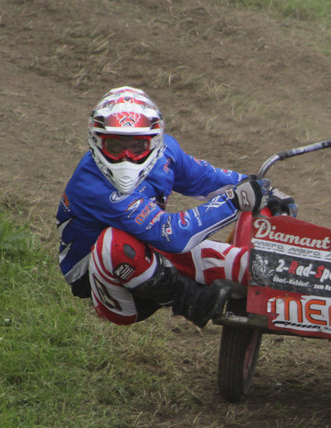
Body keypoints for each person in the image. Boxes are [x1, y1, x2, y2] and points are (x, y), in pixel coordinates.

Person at [57, 86, 267, 327]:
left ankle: (293, 288)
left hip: (152, 247)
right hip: (100, 283)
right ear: (97, 142)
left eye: (137, 147)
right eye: (115, 146)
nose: (126, 156)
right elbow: (172, 235)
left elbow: (204, 178)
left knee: (252, 265)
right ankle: (189, 300)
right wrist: (234, 201)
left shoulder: (167, 151)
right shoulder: (90, 186)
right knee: (115, 242)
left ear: (154, 141)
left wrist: (262, 190)